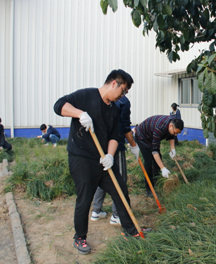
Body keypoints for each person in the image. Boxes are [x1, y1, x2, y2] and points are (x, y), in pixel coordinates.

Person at [53, 69, 149, 255]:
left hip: (102, 160)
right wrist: (79, 113)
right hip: (81, 158)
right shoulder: (85, 95)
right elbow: (58, 105)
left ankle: (131, 230)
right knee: (85, 199)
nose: (122, 96)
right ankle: (79, 238)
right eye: (123, 91)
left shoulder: (114, 109)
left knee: (120, 189)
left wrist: (110, 156)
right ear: (114, 83)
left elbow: (114, 135)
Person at [91, 76, 140, 226]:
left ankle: (96, 211)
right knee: (120, 180)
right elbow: (125, 127)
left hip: (100, 146)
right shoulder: (123, 102)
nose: (124, 94)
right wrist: (133, 144)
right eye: (125, 90)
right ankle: (117, 215)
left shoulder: (100, 97)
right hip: (116, 145)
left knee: (103, 177)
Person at [134, 115, 184, 197]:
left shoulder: (172, 123)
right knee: (149, 162)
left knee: (158, 160)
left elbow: (171, 135)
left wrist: (173, 149)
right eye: (175, 132)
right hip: (142, 137)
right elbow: (155, 151)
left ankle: (157, 182)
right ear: (171, 126)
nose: (176, 135)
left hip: (151, 136)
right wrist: (163, 168)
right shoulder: (160, 128)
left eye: (177, 133)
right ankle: (149, 189)